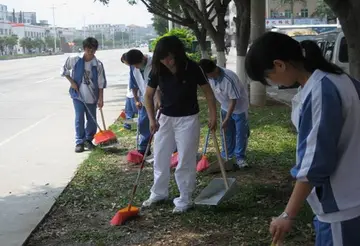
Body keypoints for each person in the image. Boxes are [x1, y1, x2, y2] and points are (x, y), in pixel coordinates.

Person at [245, 31, 360, 245]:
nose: (271, 83)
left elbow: (315, 162)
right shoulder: (339, 80)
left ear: (279, 65)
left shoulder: (321, 91)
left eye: (267, 78)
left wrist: (287, 215)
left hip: (342, 205)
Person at [143, 35, 217, 213]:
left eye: (169, 57)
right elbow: (148, 95)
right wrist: (152, 119)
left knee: (185, 159)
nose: (166, 61)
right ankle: (159, 193)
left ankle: (185, 199)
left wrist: (213, 115)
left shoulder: (192, 67)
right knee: (160, 156)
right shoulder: (157, 69)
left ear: (177, 54)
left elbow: (208, 93)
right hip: (165, 119)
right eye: (162, 58)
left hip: (188, 119)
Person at [199, 59, 249, 168]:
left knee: (240, 134)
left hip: (239, 108)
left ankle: (240, 158)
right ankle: (227, 155)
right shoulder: (210, 78)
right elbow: (210, 96)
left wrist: (227, 118)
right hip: (224, 107)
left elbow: (233, 100)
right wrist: (212, 116)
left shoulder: (229, 78)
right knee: (226, 132)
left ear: (211, 71)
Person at [61, 37, 107, 153]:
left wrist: (101, 99)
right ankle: (79, 141)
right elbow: (64, 70)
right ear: (84, 48)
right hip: (78, 95)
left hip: (92, 95)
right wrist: (72, 82)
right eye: (88, 49)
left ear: (96, 50)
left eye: (93, 50)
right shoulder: (75, 59)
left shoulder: (98, 65)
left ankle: (88, 139)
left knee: (92, 120)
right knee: (79, 117)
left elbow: (101, 83)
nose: (90, 52)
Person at [126, 49, 152, 156]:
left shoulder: (154, 63)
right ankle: (144, 147)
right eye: (133, 65)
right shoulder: (133, 67)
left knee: (162, 124)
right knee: (143, 122)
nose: (136, 67)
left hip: (158, 98)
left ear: (143, 58)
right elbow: (134, 85)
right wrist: (136, 100)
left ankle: (172, 148)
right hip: (144, 99)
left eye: (137, 64)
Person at [121, 53, 138, 130]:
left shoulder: (134, 67)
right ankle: (129, 126)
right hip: (129, 94)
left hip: (134, 94)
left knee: (137, 112)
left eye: (124, 62)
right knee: (129, 112)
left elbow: (134, 83)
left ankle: (136, 125)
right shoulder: (132, 67)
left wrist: (136, 98)